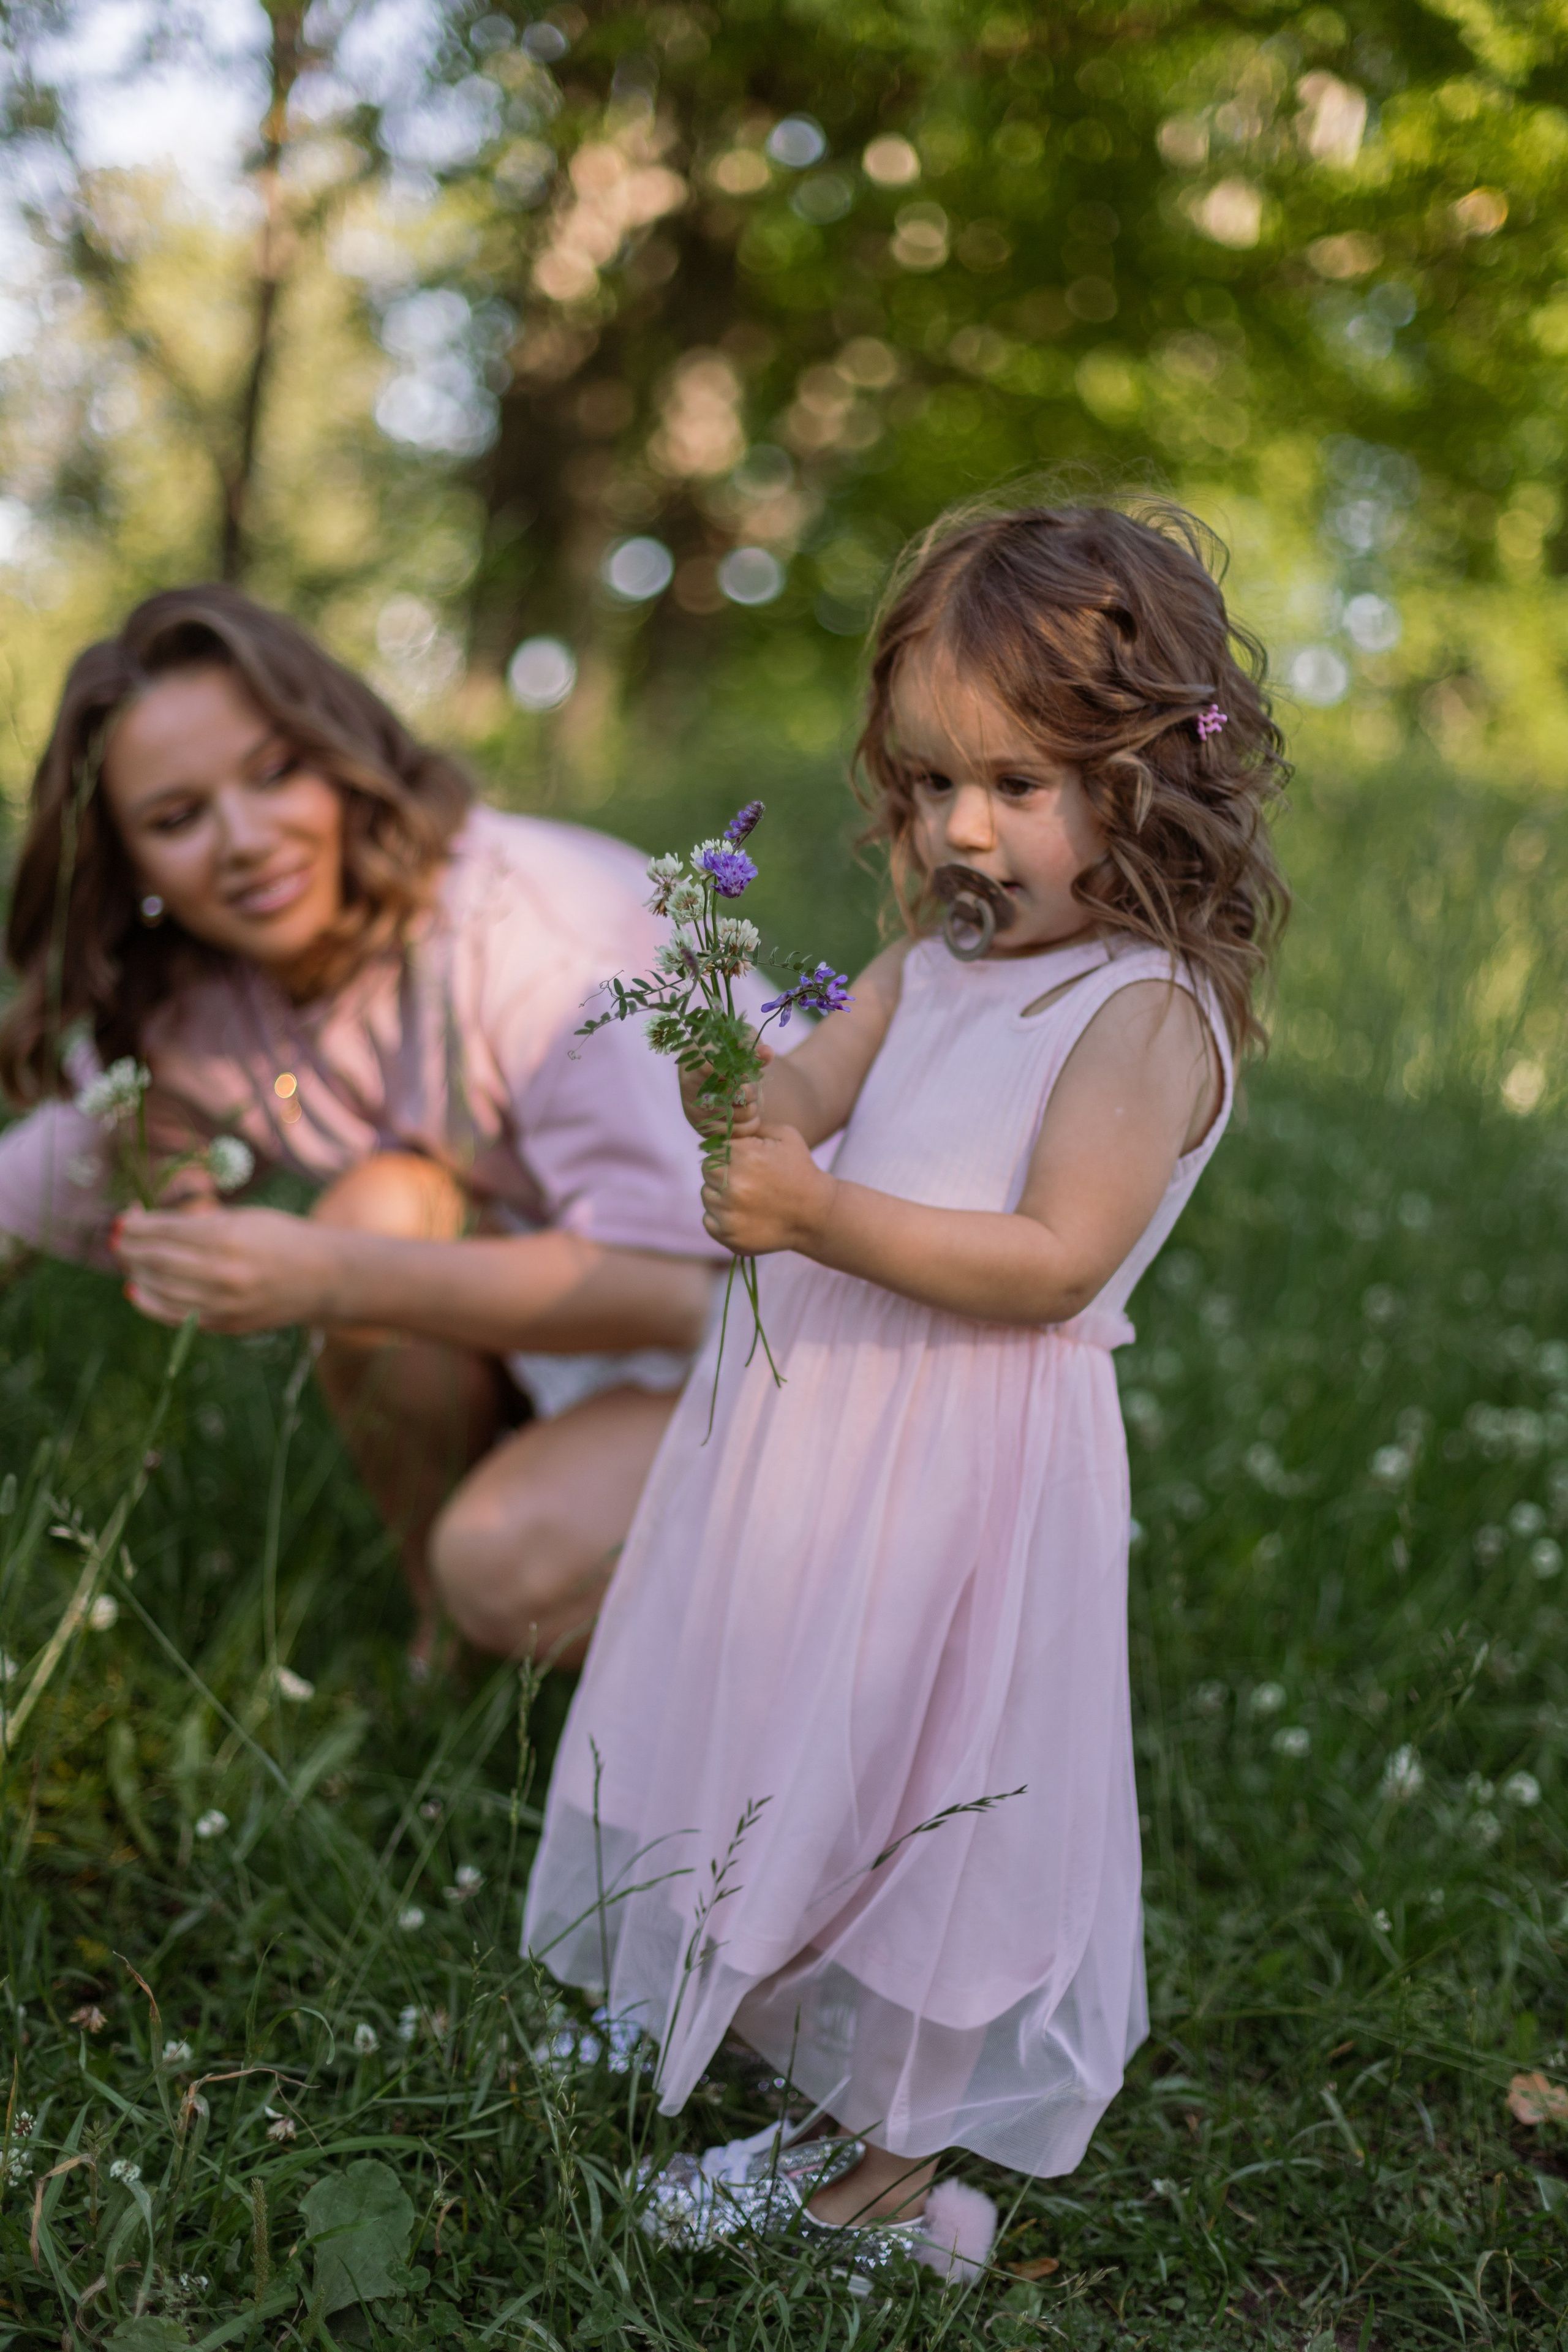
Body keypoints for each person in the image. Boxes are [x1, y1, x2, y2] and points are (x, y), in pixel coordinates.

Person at [522, 498, 1289, 2272]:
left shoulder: (1142, 1009)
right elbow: (814, 1086)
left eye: (1020, 785)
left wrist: (820, 1211)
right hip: (821, 1445)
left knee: (932, 1797)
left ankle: (887, 2178)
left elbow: (1053, 1260)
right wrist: (758, 1117)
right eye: (934, 780)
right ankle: (743, 2020)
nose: (961, 828)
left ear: (1151, 776)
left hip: (967, 1471)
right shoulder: (930, 964)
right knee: (791, 1735)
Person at [0, 585, 734, 1670]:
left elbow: (677, 1288)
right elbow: (58, 1169)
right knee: (388, 1201)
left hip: (784, 1321)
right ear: (129, 866)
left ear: (341, 752)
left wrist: (328, 1277)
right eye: (176, 818)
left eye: (275, 771)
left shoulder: (529, 932)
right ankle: (443, 1653)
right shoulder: (213, 993)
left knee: (509, 1563)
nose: (246, 842)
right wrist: (179, 1196)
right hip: (597, 1336)